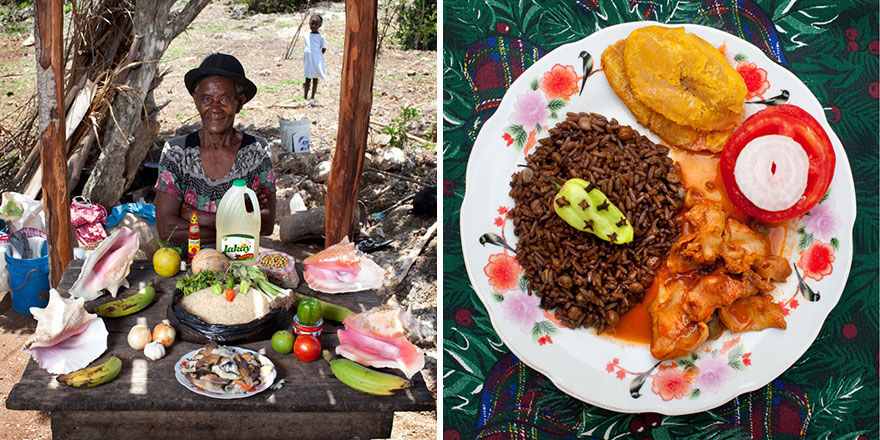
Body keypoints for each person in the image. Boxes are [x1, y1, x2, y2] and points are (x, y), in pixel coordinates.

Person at [154, 53, 277, 248]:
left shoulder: (256, 152)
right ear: (196, 100)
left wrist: (196, 216)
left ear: (240, 102)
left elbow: (267, 225)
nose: (215, 108)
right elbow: (167, 229)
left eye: (225, 99)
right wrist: (241, 218)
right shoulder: (177, 152)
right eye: (207, 99)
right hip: (183, 264)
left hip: (239, 262)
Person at [303, 14, 327, 106]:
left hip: (316, 59)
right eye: (312, 24)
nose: (313, 26)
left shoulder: (321, 37)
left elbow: (323, 48)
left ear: (320, 25)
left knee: (315, 78)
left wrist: (318, 56)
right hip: (308, 59)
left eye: (315, 24)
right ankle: (305, 96)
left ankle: (312, 97)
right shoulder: (306, 35)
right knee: (307, 77)